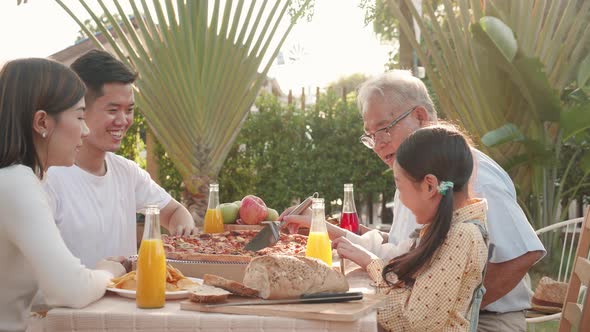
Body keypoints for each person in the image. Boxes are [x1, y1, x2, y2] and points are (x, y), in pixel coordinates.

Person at [283, 70, 545, 331]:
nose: (377, 144)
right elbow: (406, 247)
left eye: (383, 129)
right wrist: (325, 229)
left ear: (420, 116)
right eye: (370, 136)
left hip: (486, 321)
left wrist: (459, 305)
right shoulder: (417, 171)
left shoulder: (472, 177)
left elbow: (524, 253)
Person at [0, 58, 125, 332]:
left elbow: (42, 291)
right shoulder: (17, 184)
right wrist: (112, 272)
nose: (86, 130)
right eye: (80, 117)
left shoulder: (19, 180)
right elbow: (70, 290)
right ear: (42, 121)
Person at [44, 49, 196, 269]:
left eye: (130, 110)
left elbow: (174, 212)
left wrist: (182, 230)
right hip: (71, 302)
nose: (123, 121)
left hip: (127, 301)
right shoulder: (48, 179)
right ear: (80, 109)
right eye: (113, 110)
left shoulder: (127, 172)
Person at [346, 124, 488, 331]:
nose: (401, 199)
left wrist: (371, 263)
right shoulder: (448, 228)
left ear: (430, 185)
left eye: (400, 186)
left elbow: (411, 321)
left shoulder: (460, 236)